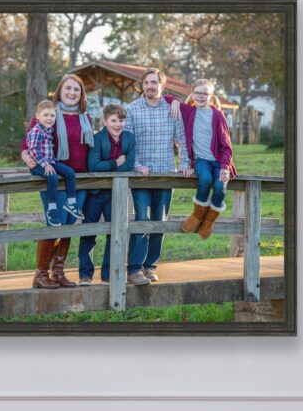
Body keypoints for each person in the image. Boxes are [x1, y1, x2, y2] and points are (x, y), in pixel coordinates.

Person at [20, 73, 94, 289]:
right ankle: (41, 274)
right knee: (56, 223)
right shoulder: (49, 113)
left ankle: (58, 273)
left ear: (81, 94)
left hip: (79, 180)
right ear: (59, 91)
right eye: (67, 88)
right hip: (55, 177)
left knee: (70, 225)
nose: (72, 93)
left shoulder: (85, 117)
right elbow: (27, 141)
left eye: (76, 90)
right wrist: (26, 156)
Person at [123, 68, 189, 286]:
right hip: (142, 175)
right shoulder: (131, 109)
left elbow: (181, 140)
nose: (150, 86)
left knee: (160, 221)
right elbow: (128, 143)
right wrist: (137, 165)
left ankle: (150, 266)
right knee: (142, 220)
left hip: (166, 173)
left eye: (154, 82)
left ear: (162, 85)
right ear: (142, 85)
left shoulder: (172, 109)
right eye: (146, 82)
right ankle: (134, 269)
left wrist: (186, 163)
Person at [171, 79, 236, 239]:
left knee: (222, 187)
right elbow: (166, 97)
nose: (200, 96)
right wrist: (173, 101)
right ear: (192, 94)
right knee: (205, 178)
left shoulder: (217, 116)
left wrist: (225, 167)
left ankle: (209, 221)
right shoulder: (188, 111)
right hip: (201, 160)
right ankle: (197, 215)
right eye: (197, 93)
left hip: (220, 162)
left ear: (211, 96)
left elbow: (227, 146)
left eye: (205, 94)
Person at [81, 104, 136, 285]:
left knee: (115, 233)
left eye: (121, 121)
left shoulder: (129, 138)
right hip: (95, 193)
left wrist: (116, 164)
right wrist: (115, 162)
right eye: (114, 121)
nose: (118, 125)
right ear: (105, 121)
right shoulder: (97, 139)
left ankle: (108, 273)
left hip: (116, 193)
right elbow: (93, 166)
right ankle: (85, 273)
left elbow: (129, 166)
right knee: (89, 231)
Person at [26, 100, 84, 227]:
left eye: (52, 115)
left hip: (51, 161)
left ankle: (71, 202)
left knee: (69, 172)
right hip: (38, 165)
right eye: (45, 115)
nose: (49, 118)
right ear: (37, 116)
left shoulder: (49, 130)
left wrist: (49, 163)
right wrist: (45, 164)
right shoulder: (36, 131)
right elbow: (34, 149)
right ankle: (52, 209)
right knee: (52, 177)